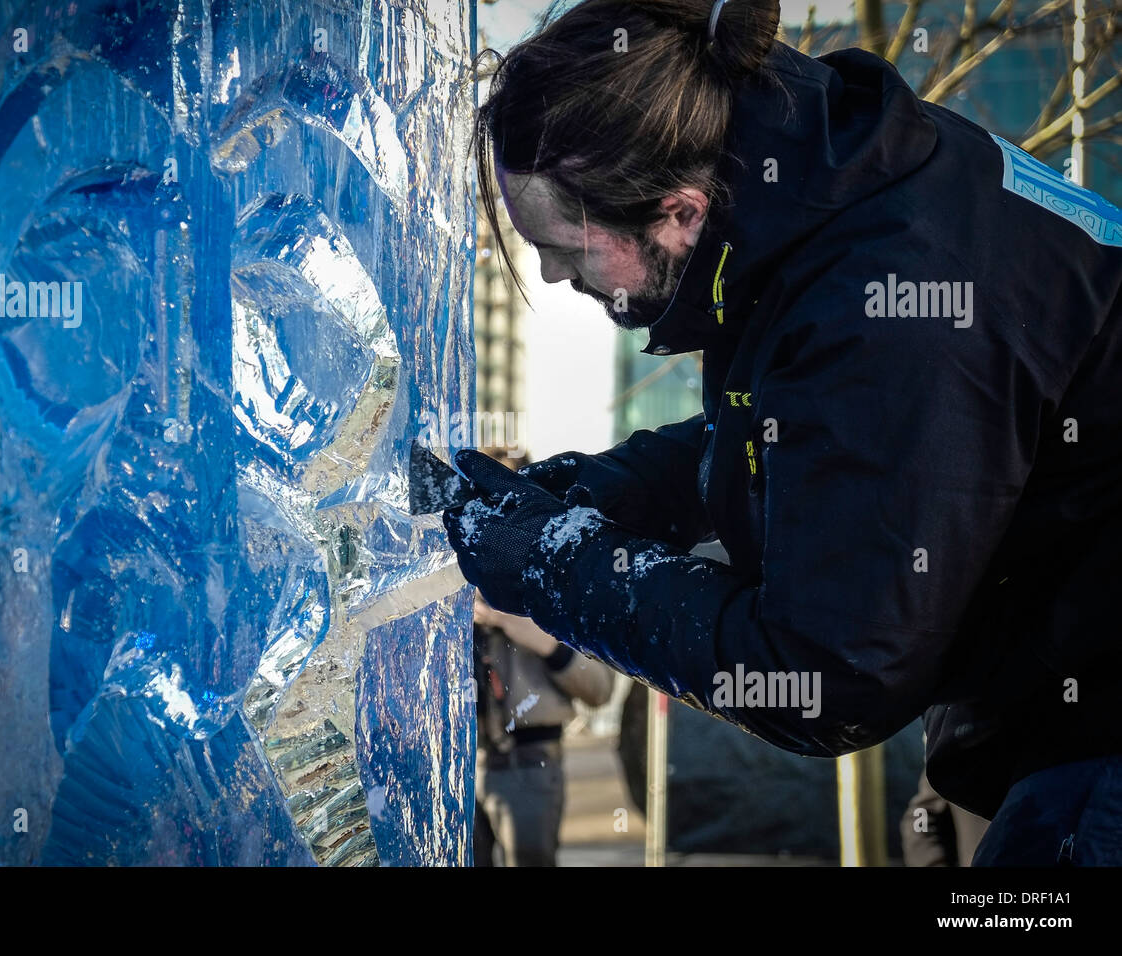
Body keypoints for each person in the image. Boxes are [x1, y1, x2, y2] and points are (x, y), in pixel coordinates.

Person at [445, 0, 1122, 865]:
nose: (549, 270)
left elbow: (828, 675)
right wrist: (601, 491)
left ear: (679, 212)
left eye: (565, 246)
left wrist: (558, 563)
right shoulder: (833, 202)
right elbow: (820, 432)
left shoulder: (885, 294)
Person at [470, 448, 615, 866]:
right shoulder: (455, 577)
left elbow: (599, 689)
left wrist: (526, 629)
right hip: (458, 762)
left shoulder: (557, 581)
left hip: (529, 762)